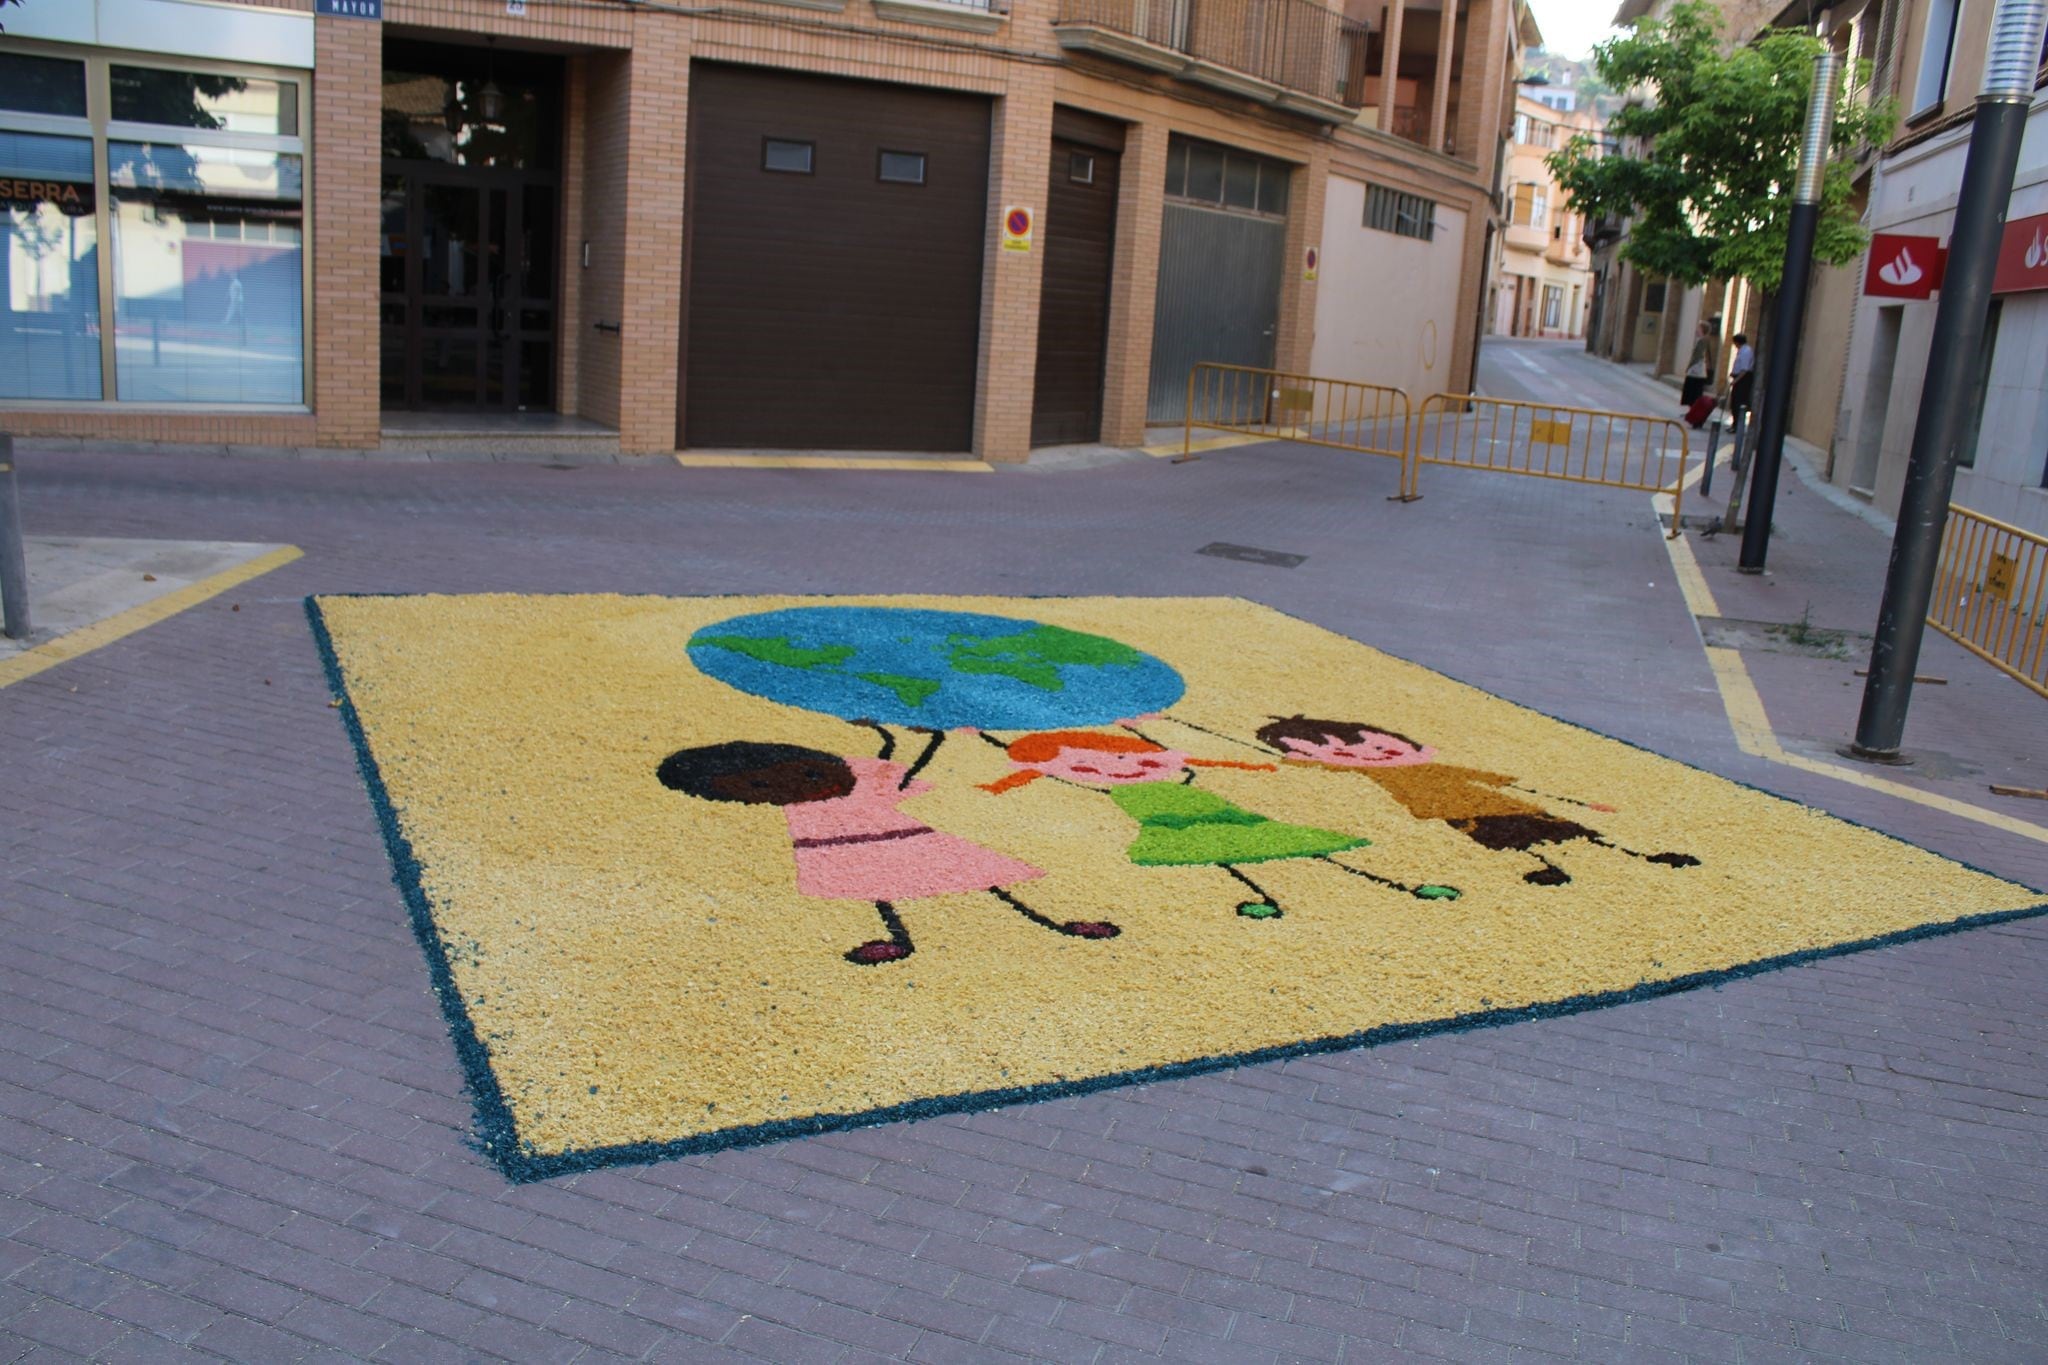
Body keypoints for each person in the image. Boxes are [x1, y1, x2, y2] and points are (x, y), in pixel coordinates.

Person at [657, 738, 1118, 965]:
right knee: (880, 890)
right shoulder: (806, 805)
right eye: (757, 786)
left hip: (912, 841)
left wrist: (926, 734)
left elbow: (901, 757)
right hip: (841, 852)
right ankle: (899, 941)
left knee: (987, 882)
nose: (788, 788)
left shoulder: (861, 787)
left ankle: (1058, 925)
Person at [981, 727, 1460, 917]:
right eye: (1086, 768)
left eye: (1132, 757)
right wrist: (998, 783)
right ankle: (1262, 899)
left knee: (1305, 847)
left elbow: (1209, 762)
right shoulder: (1067, 775)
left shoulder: (1170, 763)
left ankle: (1395, 884)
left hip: (1223, 814)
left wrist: (1251, 767)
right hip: (1169, 825)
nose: (1116, 768)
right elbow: (1025, 773)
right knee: (1229, 860)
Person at [1250, 716, 1700, 887]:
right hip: (1457, 811)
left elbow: (1514, 787)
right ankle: (1547, 867)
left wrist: (1574, 799)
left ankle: (1638, 856)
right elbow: (1316, 768)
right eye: (1345, 750)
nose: (1370, 753)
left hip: (1484, 800)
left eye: (1381, 744)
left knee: (1561, 825)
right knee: (1502, 838)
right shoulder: (1366, 771)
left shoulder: (1435, 769)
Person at [1682, 321, 1716, 408]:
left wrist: (1688, 367)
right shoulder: (1703, 340)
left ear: (1702, 329)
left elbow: (1697, 356)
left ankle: (1693, 409)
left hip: (1696, 371)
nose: (1696, 330)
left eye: (1698, 328)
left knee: (1693, 391)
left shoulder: (1702, 340)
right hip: (1698, 370)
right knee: (1694, 391)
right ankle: (1692, 409)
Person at [1728, 332, 1756, 415]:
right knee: (1734, 401)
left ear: (1737, 342)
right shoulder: (1742, 350)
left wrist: (1735, 380)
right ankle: (1735, 423)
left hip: (1743, 379)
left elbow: (1744, 369)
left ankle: (1737, 424)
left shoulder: (1746, 352)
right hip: (1739, 377)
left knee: (1738, 401)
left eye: (1735, 343)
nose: (1735, 345)